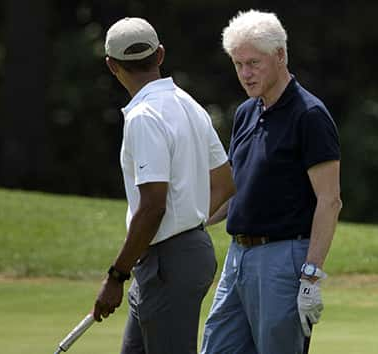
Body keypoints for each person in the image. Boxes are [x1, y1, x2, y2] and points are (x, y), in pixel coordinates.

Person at [201, 10, 342, 354]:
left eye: (253, 63)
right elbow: (234, 193)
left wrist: (311, 277)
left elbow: (329, 200)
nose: (245, 74)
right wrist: (189, 223)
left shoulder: (309, 115)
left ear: (280, 55)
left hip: (283, 259)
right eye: (238, 64)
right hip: (238, 258)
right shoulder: (247, 112)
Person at [92, 17, 235, 354]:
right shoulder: (189, 104)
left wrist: (115, 276)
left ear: (112, 66)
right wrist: (188, 221)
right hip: (182, 254)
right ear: (159, 55)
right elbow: (226, 183)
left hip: (168, 262)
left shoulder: (144, 117)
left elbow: (153, 206)